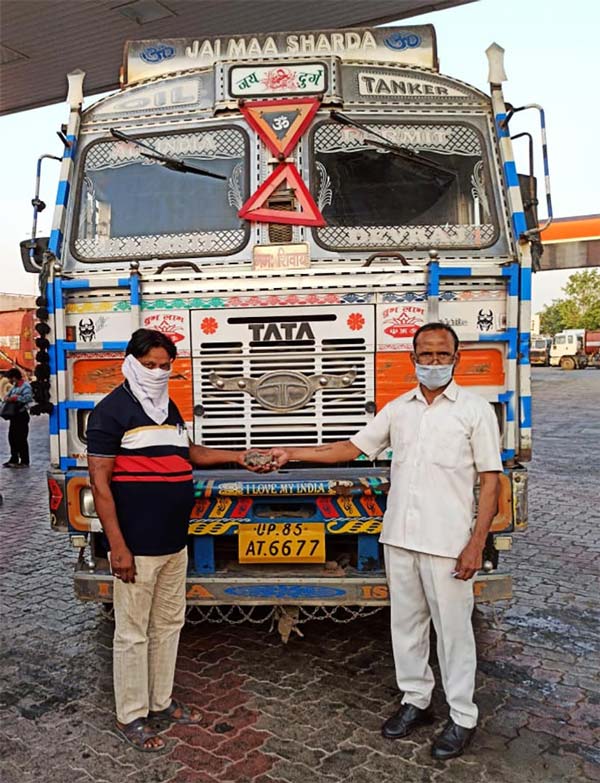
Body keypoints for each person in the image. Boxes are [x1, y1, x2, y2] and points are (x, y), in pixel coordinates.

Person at [267, 323, 502, 760]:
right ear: (413, 359)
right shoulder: (399, 409)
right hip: (400, 537)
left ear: (456, 359)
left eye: (442, 354)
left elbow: (491, 481)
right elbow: (349, 449)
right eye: (426, 354)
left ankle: (462, 716)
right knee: (406, 626)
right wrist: (291, 453)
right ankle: (416, 700)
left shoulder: (475, 411)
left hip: (449, 542)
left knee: (453, 632)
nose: (434, 362)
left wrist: (476, 543)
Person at [87, 328, 259, 752]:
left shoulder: (168, 408)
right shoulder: (110, 412)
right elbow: (100, 483)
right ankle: (131, 715)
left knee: (168, 625)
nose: (158, 372)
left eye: (165, 366)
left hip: (173, 543)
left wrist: (238, 457)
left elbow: (189, 452)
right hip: (137, 546)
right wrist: (118, 547)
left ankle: (160, 703)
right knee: (132, 632)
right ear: (130, 363)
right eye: (149, 365)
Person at [2, 367, 33, 468]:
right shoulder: (14, 387)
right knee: (12, 437)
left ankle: (24, 460)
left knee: (21, 439)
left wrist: (16, 398)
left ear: (14, 377)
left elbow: (28, 398)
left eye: (10, 378)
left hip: (21, 415)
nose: (9, 381)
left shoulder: (26, 386)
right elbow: (7, 396)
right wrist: (7, 398)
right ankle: (14, 458)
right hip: (14, 416)